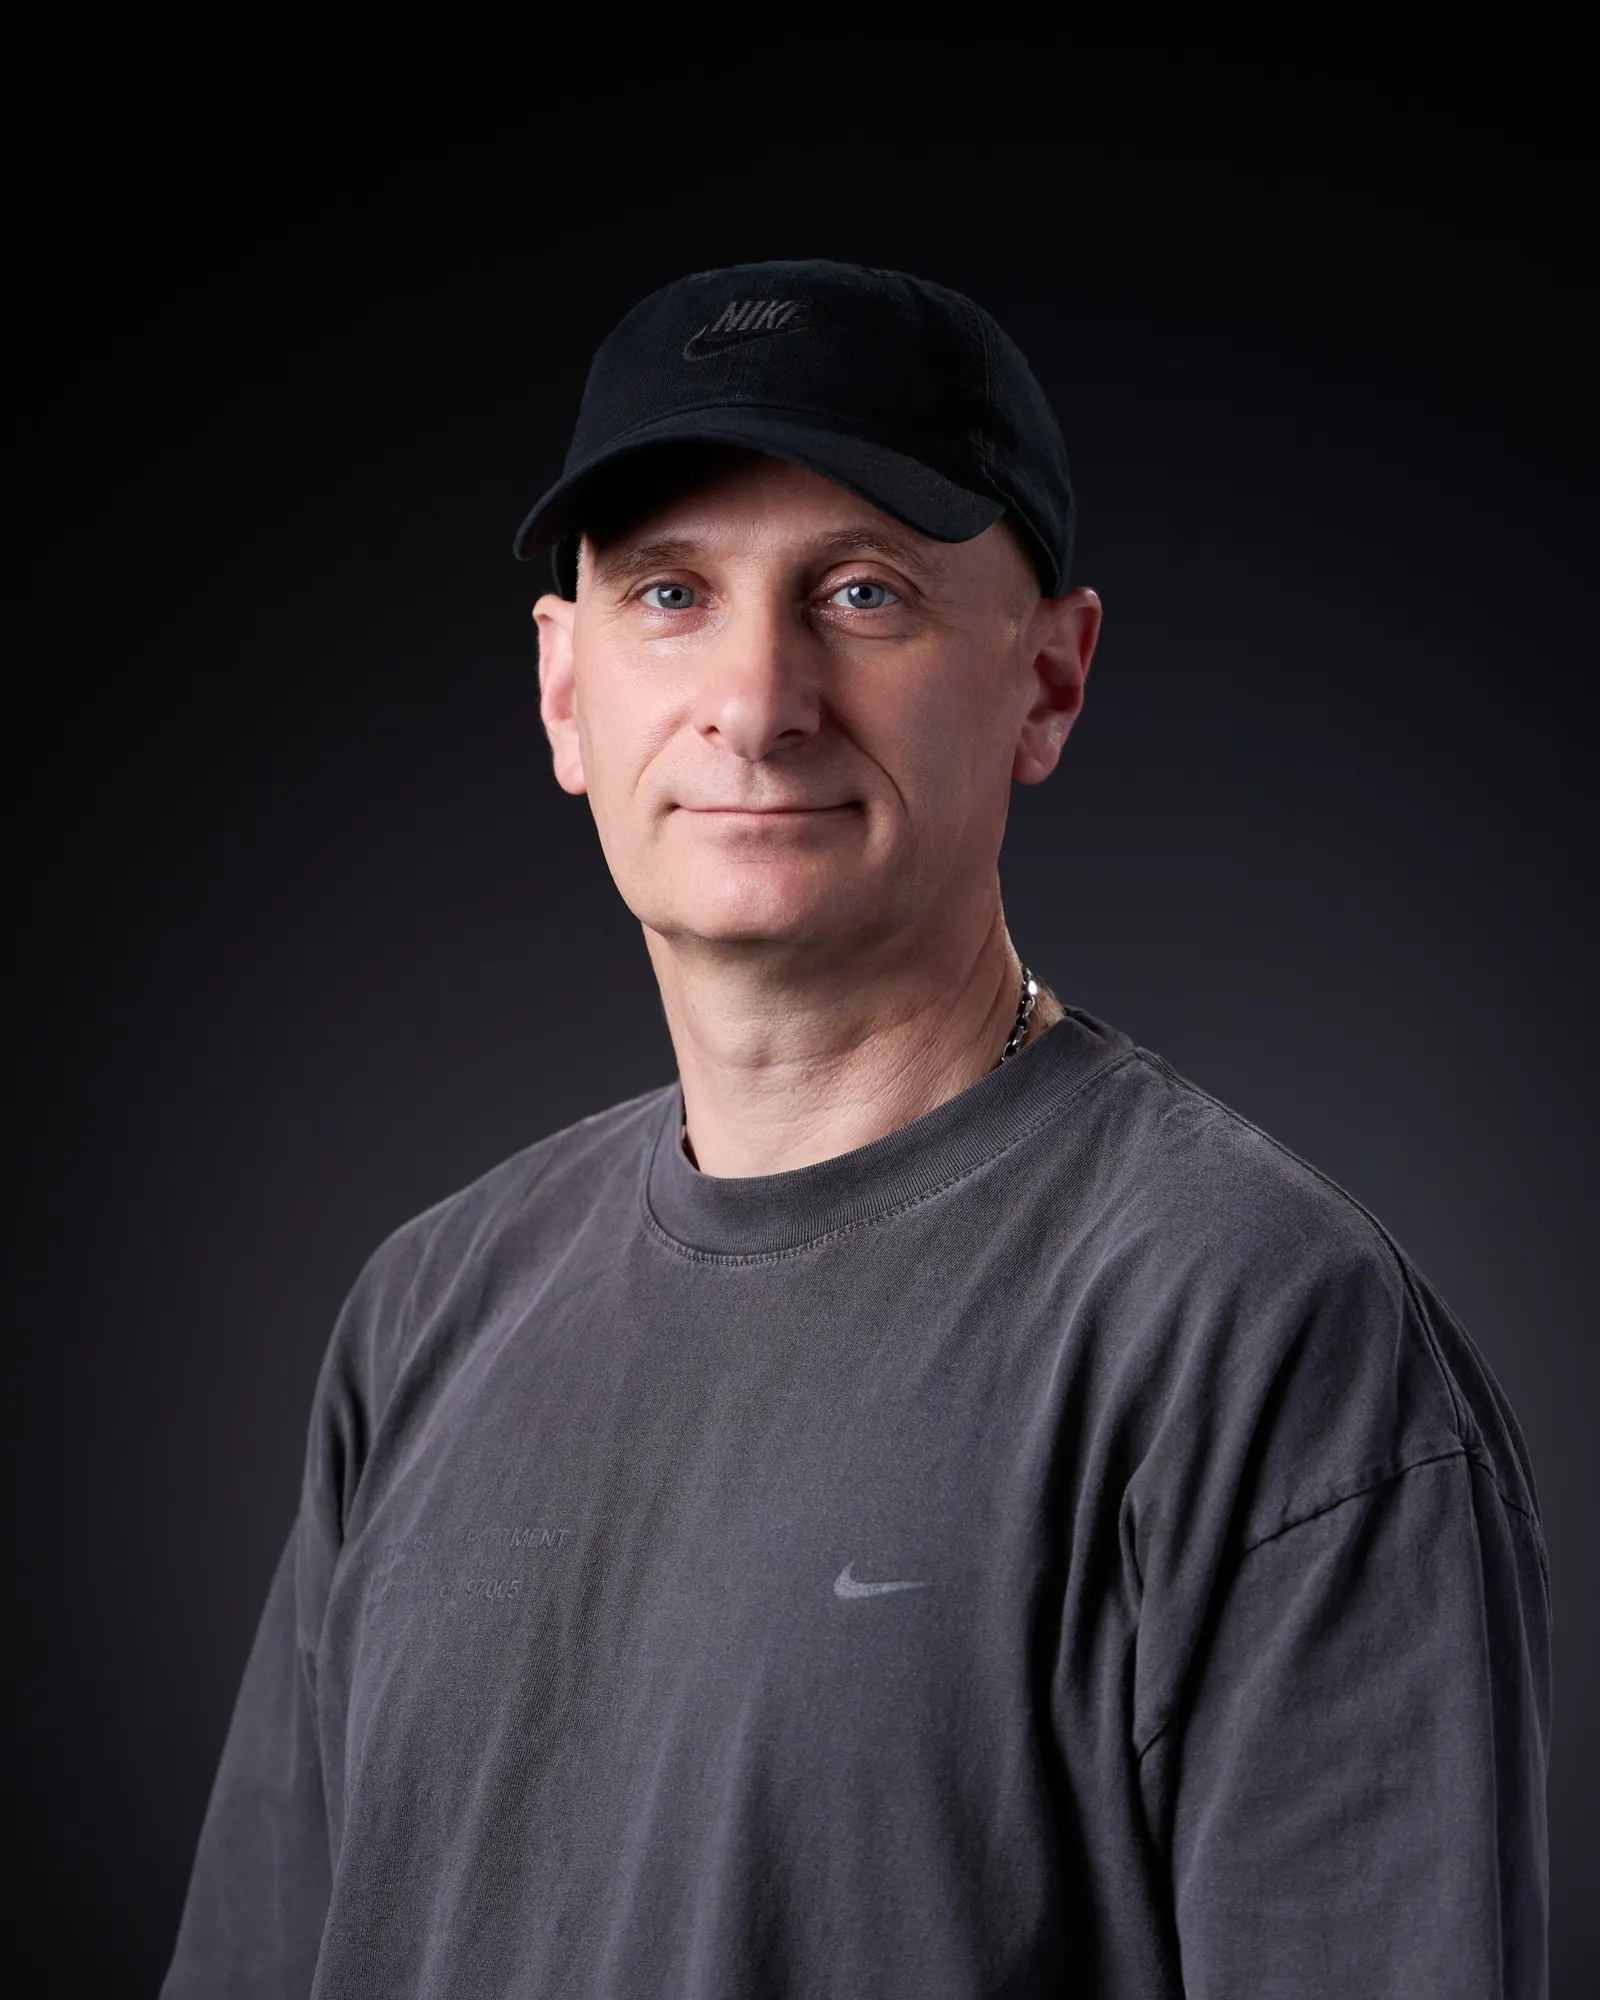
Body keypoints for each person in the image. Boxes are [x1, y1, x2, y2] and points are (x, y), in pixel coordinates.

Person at [162, 260, 1550, 1998]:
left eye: (865, 593)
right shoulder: (428, 1314)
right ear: (566, 690)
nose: (757, 703)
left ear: (1050, 681)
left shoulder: (1260, 1336)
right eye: (671, 593)